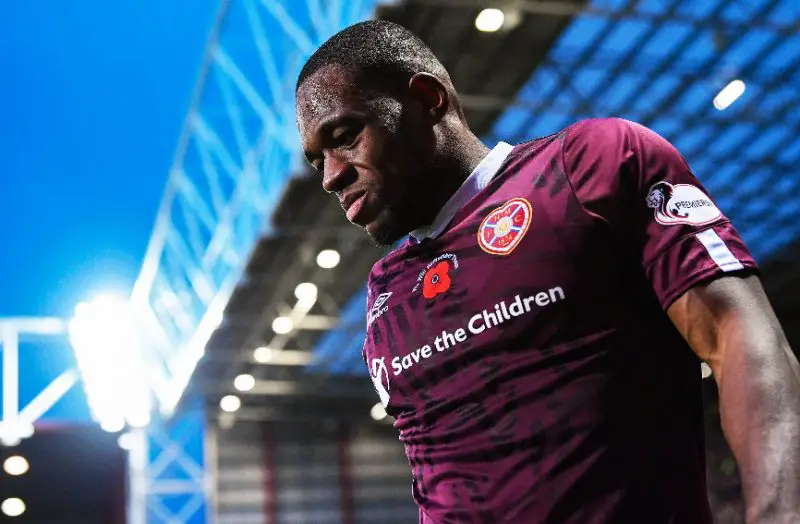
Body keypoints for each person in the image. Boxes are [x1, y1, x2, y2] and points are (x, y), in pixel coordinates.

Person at [294, 20, 800, 524]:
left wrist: (780, 513)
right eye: (318, 162)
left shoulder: (589, 166)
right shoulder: (386, 294)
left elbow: (737, 335)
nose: (332, 176)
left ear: (428, 99)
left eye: (345, 136)